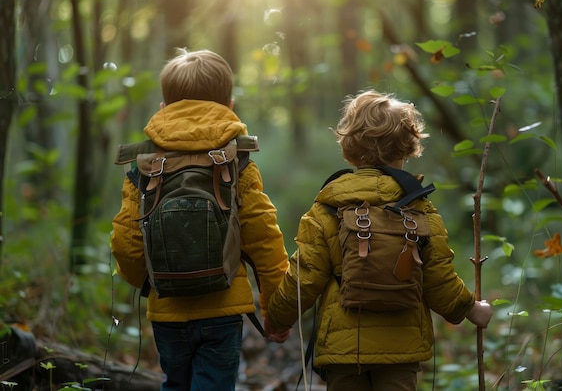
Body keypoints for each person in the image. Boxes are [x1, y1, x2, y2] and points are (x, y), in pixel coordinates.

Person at [265, 90, 493, 391]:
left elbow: (304, 276)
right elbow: (438, 279)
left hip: (343, 352)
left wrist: (277, 318)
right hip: (402, 349)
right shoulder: (419, 208)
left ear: (349, 147)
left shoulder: (327, 207)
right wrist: (472, 309)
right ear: (408, 146)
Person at [111, 48, 290, 391]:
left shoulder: (145, 164)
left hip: (167, 312)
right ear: (230, 105)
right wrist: (276, 311)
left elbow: (126, 242)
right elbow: (264, 236)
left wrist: (147, 281)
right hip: (223, 311)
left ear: (164, 108)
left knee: (175, 384)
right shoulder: (236, 159)